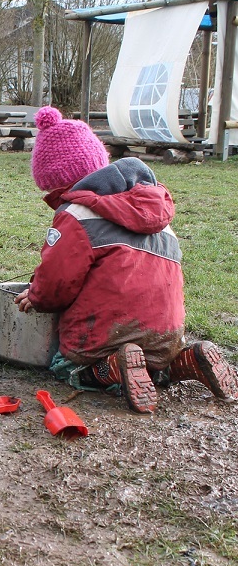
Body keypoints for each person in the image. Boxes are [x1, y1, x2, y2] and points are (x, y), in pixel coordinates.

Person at [14, 106, 237, 413]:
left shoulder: (75, 215)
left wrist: (37, 296)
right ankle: (186, 360)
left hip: (104, 334)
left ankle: (112, 367)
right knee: (152, 365)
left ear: (61, 182)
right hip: (166, 332)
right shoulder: (153, 210)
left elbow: (57, 283)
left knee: (64, 365)